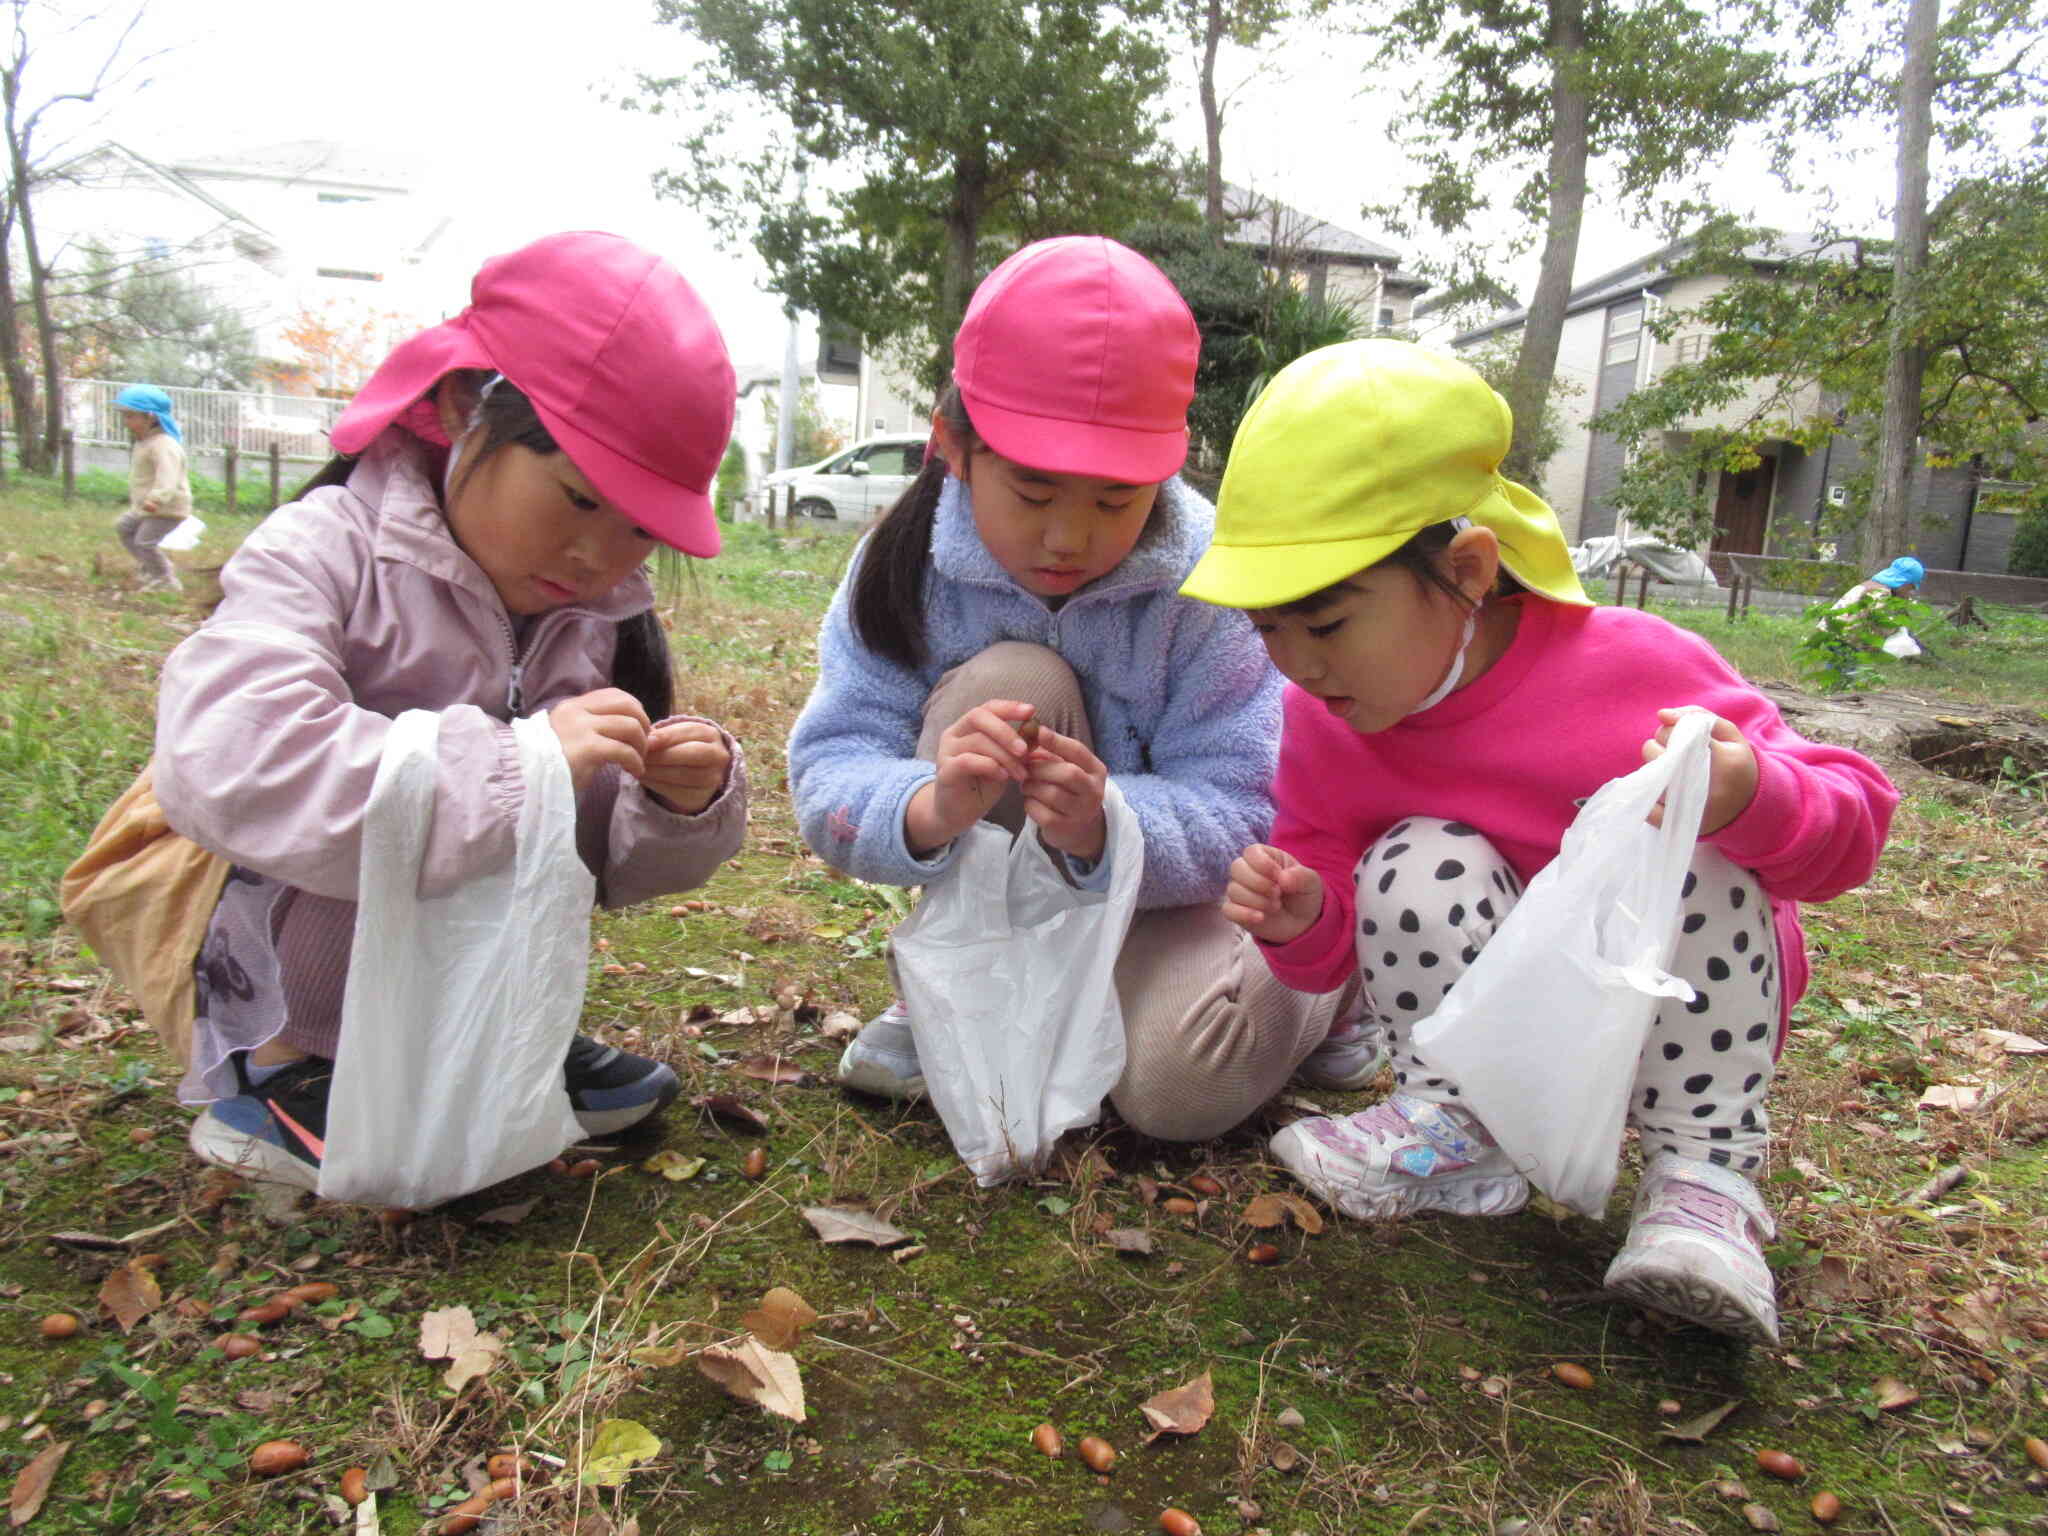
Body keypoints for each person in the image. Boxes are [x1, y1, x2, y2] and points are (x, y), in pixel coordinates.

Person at [1185, 341, 1897, 1344]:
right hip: (1496, 1023)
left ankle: (1701, 1178)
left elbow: (1851, 823)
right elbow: (1339, 933)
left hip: (1666, 1011)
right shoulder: (1322, 723)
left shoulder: (1629, 666)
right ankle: (1462, 1129)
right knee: (1411, 857)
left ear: (1468, 570)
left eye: (1327, 622)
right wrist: (1301, 916)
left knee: (1683, 827)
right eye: (1265, 630)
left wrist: (1746, 797)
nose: (1295, 664)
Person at [151, 232, 751, 1193]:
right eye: (577, 498)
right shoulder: (326, 549)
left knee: (529, 811)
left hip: (456, 993)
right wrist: (523, 761)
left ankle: (486, 1052)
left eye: (642, 528)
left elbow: (589, 859)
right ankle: (291, 1074)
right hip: (289, 952)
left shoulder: (581, 618)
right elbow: (228, 757)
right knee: (432, 799)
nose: (600, 555)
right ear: (465, 408)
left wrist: (668, 803)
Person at [786, 236, 1380, 1144]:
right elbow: (830, 769)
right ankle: (970, 996)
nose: (1070, 536)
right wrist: (929, 804)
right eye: (1034, 490)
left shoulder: (1211, 582)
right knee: (1008, 683)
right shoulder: (903, 567)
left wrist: (1110, 827)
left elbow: (1250, 802)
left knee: (1172, 1096)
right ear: (952, 446)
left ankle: (1330, 976)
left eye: (1115, 501)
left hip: (1180, 903)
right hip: (1015, 908)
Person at [114, 384, 194, 592]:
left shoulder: (164, 444)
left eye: (131, 416)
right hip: (147, 506)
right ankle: (151, 567)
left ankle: (166, 579)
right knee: (124, 527)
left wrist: (156, 498)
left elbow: (169, 476)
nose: (126, 421)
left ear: (150, 417)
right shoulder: (147, 442)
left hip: (166, 508)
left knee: (144, 542)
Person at [1828, 556, 1928, 658]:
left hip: (1832, 630)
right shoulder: (1882, 593)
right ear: (1903, 583)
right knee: (1847, 668)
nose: (1908, 594)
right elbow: (1878, 619)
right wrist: (1892, 632)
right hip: (1846, 638)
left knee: (1836, 666)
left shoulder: (1868, 585)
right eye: (1909, 589)